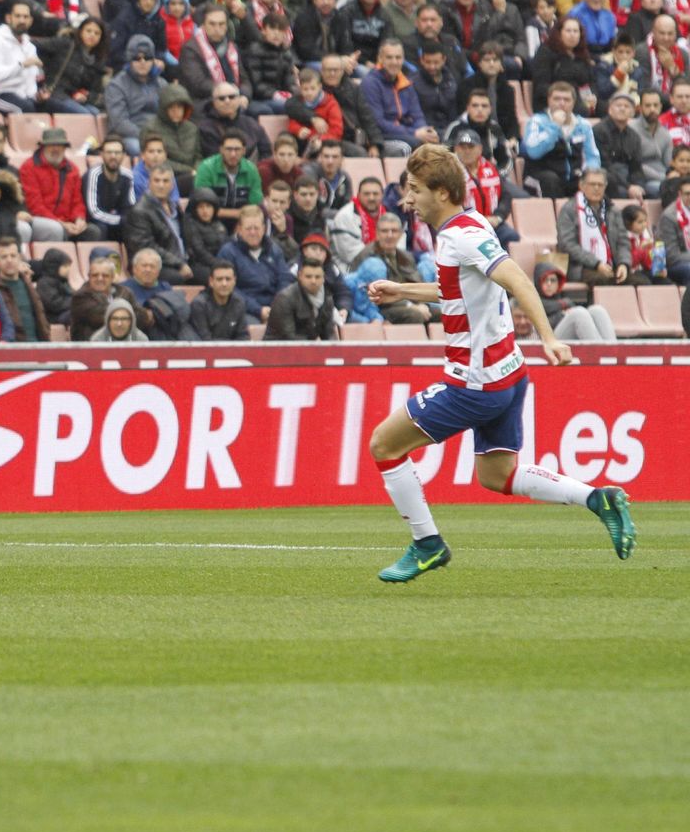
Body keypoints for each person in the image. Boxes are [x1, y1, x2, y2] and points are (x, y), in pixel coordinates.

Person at [365, 144, 635, 582]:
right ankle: (597, 498)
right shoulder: (467, 224)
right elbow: (458, 288)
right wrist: (403, 289)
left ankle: (426, 544)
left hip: (473, 384)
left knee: (384, 445)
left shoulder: (460, 235)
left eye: (415, 190)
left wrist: (549, 337)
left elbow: (516, 278)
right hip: (508, 374)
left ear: (443, 192)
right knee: (497, 475)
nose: (408, 199)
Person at [265, 258, 338, 340]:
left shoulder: (327, 299)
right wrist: (313, 346)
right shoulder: (285, 299)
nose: (313, 281)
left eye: (317, 277)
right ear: (299, 276)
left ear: (323, 278)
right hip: (276, 349)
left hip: (309, 348)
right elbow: (288, 337)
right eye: (308, 277)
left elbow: (329, 334)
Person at [182, 261, 251, 340]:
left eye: (228, 279)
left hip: (233, 351)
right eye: (219, 279)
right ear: (211, 281)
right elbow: (205, 340)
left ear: (234, 281)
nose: (224, 284)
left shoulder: (239, 303)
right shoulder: (199, 305)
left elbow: (243, 337)